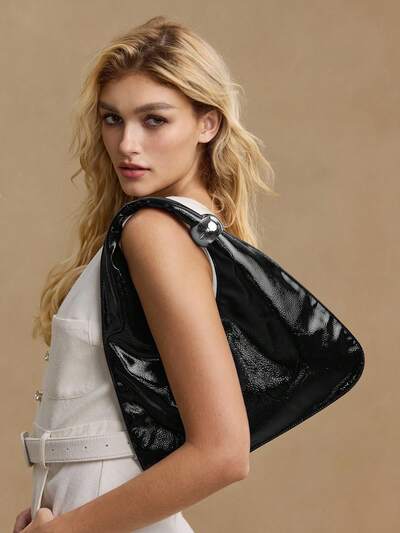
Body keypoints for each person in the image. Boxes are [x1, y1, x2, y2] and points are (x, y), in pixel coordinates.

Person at [15, 15, 277, 533]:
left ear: (207, 124)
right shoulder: (187, 229)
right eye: (112, 119)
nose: (126, 144)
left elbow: (223, 452)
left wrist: (66, 529)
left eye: (154, 120)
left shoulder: (153, 231)